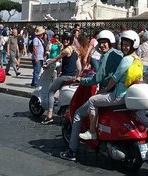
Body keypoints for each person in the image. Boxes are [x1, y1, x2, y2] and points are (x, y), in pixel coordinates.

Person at [59, 30, 123, 161]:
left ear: (110, 43)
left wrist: (81, 80)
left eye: (105, 42)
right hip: (118, 92)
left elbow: (98, 77)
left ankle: (72, 151)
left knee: (77, 113)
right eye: (101, 42)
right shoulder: (120, 54)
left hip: (109, 92)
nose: (102, 45)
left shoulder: (107, 56)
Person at [79, 30, 140, 140]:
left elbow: (115, 78)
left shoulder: (126, 59)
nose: (125, 47)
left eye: (127, 45)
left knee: (92, 100)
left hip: (118, 95)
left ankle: (92, 132)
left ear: (133, 45)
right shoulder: (136, 58)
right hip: (127, 94)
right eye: (124, 45)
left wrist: (105, 89)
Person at [41, 31, 81, 124]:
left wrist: (47, 65)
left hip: (65, 76)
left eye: (68, 39)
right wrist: (77, 76)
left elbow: (56, 58)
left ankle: (49, 115)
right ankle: (61, 108)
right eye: (65, 39)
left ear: (70, 40)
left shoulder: (66, 50)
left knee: (51, 91)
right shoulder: (75, 50)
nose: (66, 40)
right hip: (72, 77)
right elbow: (79, 67)